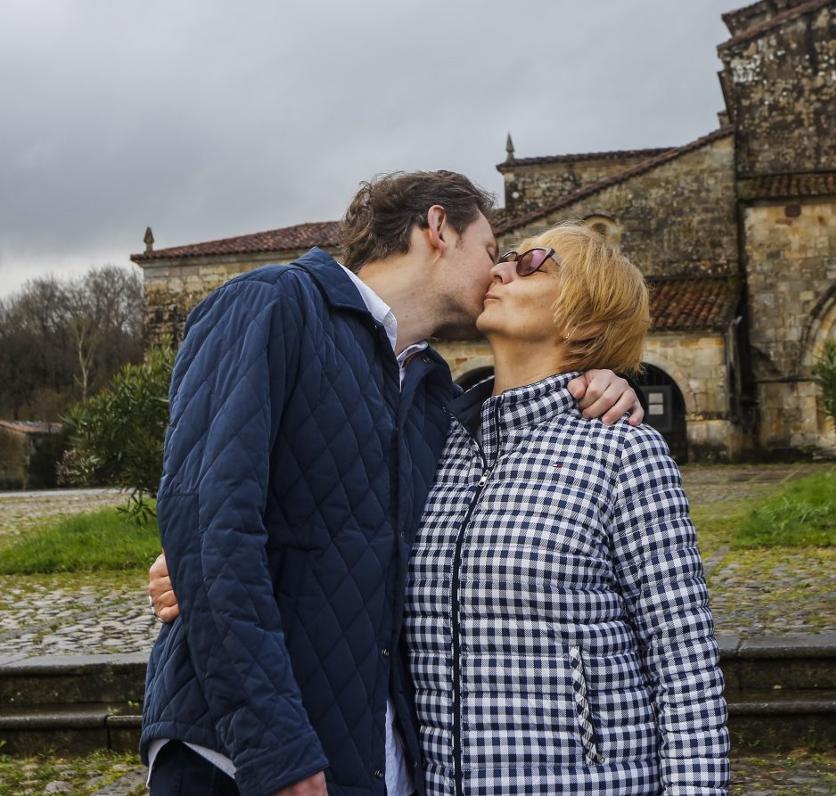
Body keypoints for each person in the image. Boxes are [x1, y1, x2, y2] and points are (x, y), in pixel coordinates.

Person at [141, 171, 643, 796]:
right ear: (438, 228)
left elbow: (515, 442)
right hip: (238, 757)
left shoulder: (433, 395)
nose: (499, 273)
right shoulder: (272, 304)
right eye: (491, 251)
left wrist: (603, 382)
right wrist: (275, 748)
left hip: (367, 759)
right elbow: (210, 524)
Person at [404, 223, 730, 794]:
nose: (500, 269)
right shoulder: (433, 446)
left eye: (532, 263)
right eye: (503, 258)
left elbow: (685, 666)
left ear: (584, 322)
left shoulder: (623, 451)